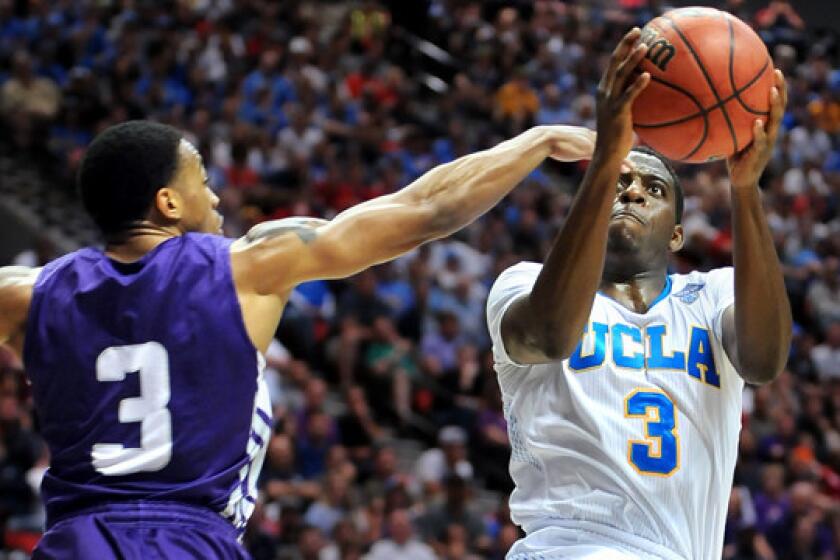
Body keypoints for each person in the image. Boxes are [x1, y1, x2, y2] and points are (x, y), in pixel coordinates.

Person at [0, 110, 597, 557]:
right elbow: (425, 210)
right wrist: (534, 142)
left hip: (73, 541)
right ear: (168, 203)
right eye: (200, 179)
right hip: (187, 539)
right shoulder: (248, 266)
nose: (213, 194)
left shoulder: (25, 295)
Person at [486, 28, 792, 560]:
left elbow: (764, 361)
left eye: (654, 191)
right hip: (567, 548)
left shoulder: (711, 294)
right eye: (622, 182)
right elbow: (551, 335)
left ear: (676, 234)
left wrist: (746, 190)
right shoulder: (520, 283)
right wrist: (606, 157)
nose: (632, 191)